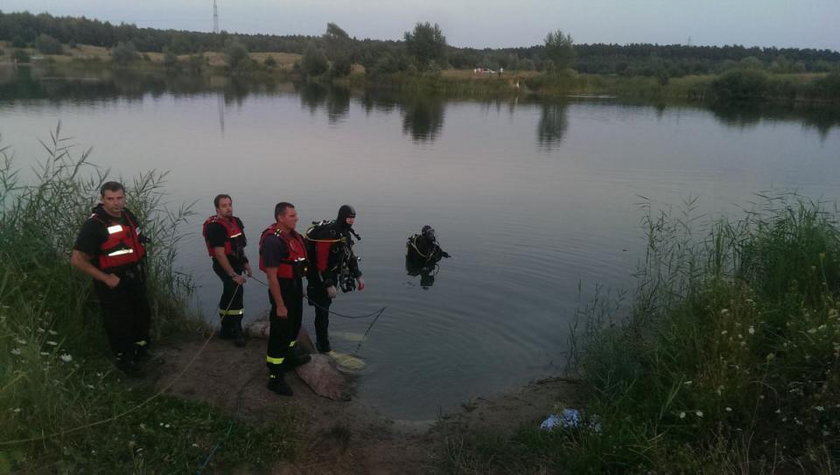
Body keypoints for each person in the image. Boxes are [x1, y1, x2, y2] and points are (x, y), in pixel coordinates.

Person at [70, 181, 151, 377]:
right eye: (110, 199)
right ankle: (124, 361)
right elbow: (77, 260)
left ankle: (140, 351)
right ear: (102, 199)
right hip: (112, 282)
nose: (116, 203)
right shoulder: (95, 225)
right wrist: (105, 278)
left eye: (119, 198)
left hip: (134, 276)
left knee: (141, 314)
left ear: (124, 197)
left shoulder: (127, 215)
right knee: (119, 321)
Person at [259, 202, 311, 396]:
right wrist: (280, 305)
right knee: (280, 332)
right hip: (282, 289)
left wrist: (301, 290)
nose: (296, 218)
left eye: (295, 215)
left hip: (294, 286)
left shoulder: (294, 236)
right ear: (280, 218)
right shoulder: (273, 241)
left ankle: (289, 356)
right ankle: (275, 376)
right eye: (292, 215)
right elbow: (272, 277)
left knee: (294, 325)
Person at [304, 204, 365, 353]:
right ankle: (323, 346)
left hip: (329, 276)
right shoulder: (328, 235)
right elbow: (321, 263)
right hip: (318, 279)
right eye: (349, 218)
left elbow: (349, 255)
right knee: (322, 311)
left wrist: (358, 275)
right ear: (342, 217)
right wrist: (328, 284)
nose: (351, 221)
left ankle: (323, 337)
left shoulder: (344, 233)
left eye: (353, 218)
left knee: (325, 309)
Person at [202, 194, 252, 347]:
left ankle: (227, 328)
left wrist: (245, 263)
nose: (228, 208)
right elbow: (219, 253)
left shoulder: (236, 222)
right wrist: (233, 274)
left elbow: (239, 246)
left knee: (232, 292)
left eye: (229, 204)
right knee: (234, 291)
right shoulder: (215, 227)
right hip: (223, 265)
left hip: (236, 262)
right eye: (224, 205)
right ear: (217, 209)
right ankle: (235, 329)